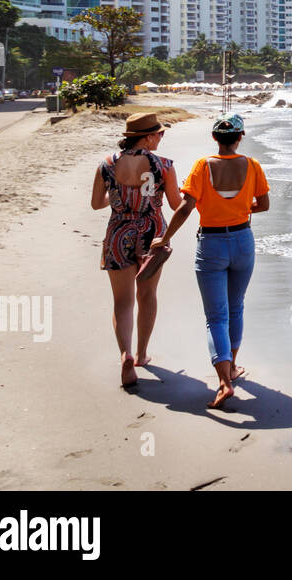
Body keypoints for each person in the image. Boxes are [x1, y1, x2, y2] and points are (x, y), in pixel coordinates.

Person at [152, 113, 269, 409]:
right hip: (243, 240)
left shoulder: (202, 166)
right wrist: (240, 208)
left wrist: (165, 238)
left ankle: (224, 382)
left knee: (216, 316)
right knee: (236, 306)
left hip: (212, 243)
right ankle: (232, 367)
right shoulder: (253, 166)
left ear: (215, 138)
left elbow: (186, 207)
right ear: (240, 137)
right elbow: (263, 204)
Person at [92, 112, 182, 388]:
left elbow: (97, 203)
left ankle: (125, 354)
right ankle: (142, 354)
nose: (161, 138)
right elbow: (176, 203)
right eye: (159, 134)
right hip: (152, 232)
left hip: (119, 231)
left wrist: (118, 194)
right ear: (147, 137)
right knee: (147, 294)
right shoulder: (163, 165)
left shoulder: (106, 164)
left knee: (122, 301)